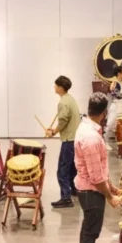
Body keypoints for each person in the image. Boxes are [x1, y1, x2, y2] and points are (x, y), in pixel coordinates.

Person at [74, 92, 122, 243]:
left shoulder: (85, 127)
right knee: (90, 234)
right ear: (103, 113)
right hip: (91, 191)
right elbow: (95, 176)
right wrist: (110, 197)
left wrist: (111, 186)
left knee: (87, 231)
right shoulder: (92, 138)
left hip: (88, 187)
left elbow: (98, 168)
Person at [46, 75, 81, 209]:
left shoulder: (63, 102)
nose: (54, 87)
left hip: (68, 140)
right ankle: (74, 191)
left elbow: (63, 121)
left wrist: (53, 132)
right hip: (75, 139)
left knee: (62, 170)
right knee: (72, 168)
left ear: (60, 87)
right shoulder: (70, 99)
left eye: (55, 85)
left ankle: (66, 198)